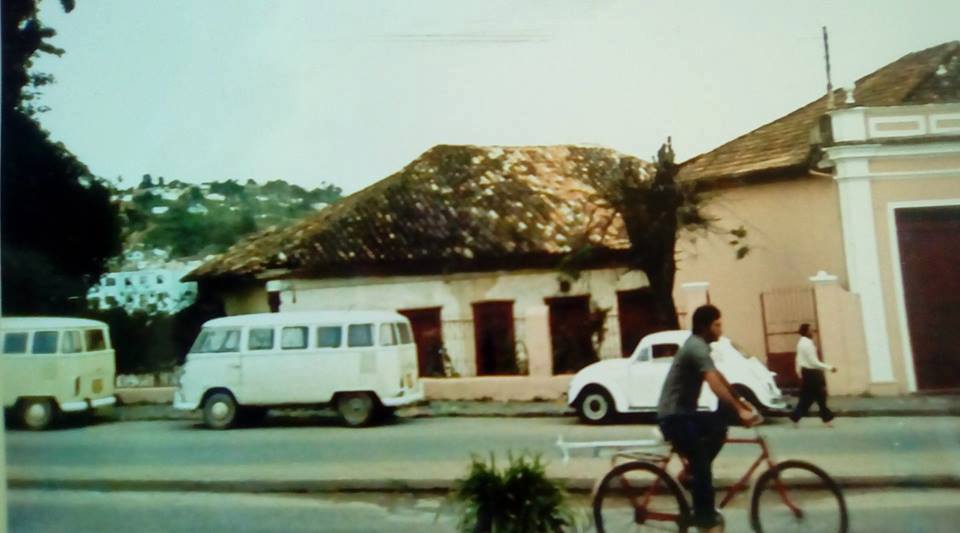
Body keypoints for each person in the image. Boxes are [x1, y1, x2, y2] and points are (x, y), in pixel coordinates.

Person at [657, 305, 761, 532]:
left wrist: (741, 404)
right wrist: (739, 410)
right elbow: (713, 383)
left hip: (684, 414)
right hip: (674, 417)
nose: (721, 329)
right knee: (703, 463)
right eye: (717, 325)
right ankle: (706, 522)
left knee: (720, 424)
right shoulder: (695, 348)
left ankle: (692, 472)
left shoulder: (700, 347)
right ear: (704, 326)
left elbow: (720, 378)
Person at [789, 323, 837, 427]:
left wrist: (799, 372)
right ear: (806, 332)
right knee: (819, 397)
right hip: (812, 374)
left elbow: (798, 359)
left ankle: (795, 417)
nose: (812, 332)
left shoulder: (801, 343)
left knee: (809, 398)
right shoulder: (806, 345)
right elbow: (813, 362)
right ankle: (826, 419)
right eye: (810, 330)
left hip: (808, 373)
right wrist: (830, 367)